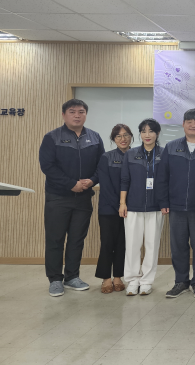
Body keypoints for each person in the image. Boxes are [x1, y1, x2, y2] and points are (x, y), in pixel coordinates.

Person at [39, 99, 105, 297]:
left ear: (86, 114)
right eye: (72, 111)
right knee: (55, 239)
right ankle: (55, 279)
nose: (77, 115)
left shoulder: (94, 137)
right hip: (58, 197)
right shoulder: (52, 137)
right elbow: (47, 166)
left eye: (81, 111)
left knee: (77, 239)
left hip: (83, 198)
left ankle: (72, 277)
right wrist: (71, 184)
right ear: (63, 115)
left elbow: (101, 166)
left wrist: (92, 181)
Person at [156, 109, 195, 299]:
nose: (193, 124)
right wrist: (164, 201)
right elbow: (162, 177)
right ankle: (180, 282)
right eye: (189, 121)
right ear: (183, 124)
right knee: (178, 246)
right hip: (176, 207)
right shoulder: (172, 147)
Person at [120, 118, 165, 296]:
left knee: (152, 245)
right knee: (132, 245)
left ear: (157, 134)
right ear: (139, 134)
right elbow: (124, 180)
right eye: (144, 131)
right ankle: (132, 280)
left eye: (151, 131)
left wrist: (165, 203)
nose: (147, 135)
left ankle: (147, 281)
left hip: (156, 207)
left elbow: (167, 180)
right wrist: (122, 203)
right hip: (133, 206)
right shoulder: (130, 154)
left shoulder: (164, 153)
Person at [95, 124, 132, 294]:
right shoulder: (107, 157)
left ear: (131, 136)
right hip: (109, 209)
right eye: (118, 136)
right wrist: (119, 205)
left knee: (123, 244)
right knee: (108, 243)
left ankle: (118, 276)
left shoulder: (136, 156)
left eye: (125, 135)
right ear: (113, 139)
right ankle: (106, 278)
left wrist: (127, 206)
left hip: (131, 209)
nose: (122, 139)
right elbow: (106, 186)